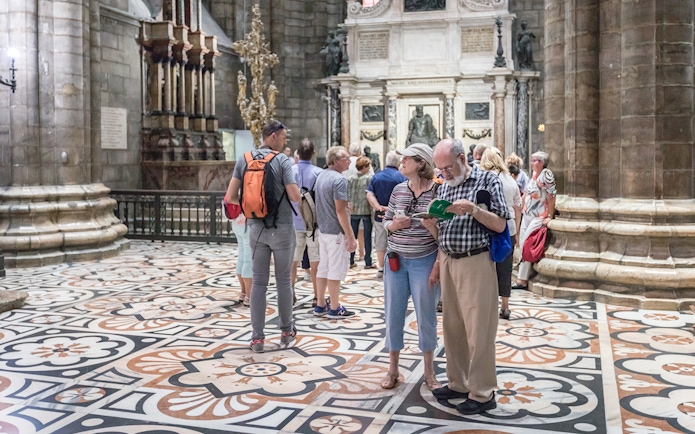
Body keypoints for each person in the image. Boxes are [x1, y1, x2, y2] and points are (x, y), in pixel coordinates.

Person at [422, 138, 509, 415]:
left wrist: (473, 209)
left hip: (476, 261)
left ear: (462, 159)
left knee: (479, 330)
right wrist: (431, 225)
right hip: (448, 259)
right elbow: (442, 233)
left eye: (447, 168)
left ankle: (483, 392)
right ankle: (458, 383)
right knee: (453, 327)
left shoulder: (487, 181)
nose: (443, 174)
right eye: (440, 169)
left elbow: (500, 223)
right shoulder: (444, 185)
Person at [225, 120, 301, 353]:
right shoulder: (282, 161)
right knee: (283, 281)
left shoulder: (244, 159)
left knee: (258, 282)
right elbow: (295, 196)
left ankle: (257, 338)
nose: (285, 141)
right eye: (284, 137)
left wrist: (251, 207)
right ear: (274, 136)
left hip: (256, 229)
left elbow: (230, 197)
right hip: (282, 229)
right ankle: (286, 330)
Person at [380, 143, 442, 392]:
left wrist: (431, 227)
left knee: (426, 315)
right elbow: (385, 222)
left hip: (424, 261)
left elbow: (444, 236)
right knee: (393, 314)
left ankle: (429, 371)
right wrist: (394, 226)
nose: (402, 162)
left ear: (421, 164)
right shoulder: (398, 190)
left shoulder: (437, 192)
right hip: (396, 260)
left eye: (407, 159)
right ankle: (393, 369)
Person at [314, 146, 358, 318]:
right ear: (334, 161)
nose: (349, 161)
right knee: (335, 269)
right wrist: (350, 236)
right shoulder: (339, 180)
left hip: (323, 230)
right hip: (335, 232)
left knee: (323, 267)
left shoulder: (321, 176)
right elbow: (340, 211)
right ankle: (334, 307)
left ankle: (320, 304)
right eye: (345, 158)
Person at [480, 147, 522, 319]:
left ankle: (486, 305)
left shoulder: (483, 179)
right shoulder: (511, 180)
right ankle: (505, 306)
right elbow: (518, 208)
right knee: (505, 268)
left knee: (486, 267)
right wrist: (517, 232)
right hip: (509, 229)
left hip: (488, 227)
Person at [514, 151, 556, 290]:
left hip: (539, 215)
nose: (531, 163)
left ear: (542, 162)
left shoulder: (546, 174)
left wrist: (549, 215)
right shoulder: (533, 176)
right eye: (531, 160)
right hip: (527, 214)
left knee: (527, 243)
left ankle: (522, 279)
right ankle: (522, 277)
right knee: (521, 243)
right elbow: (527, 192)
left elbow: (551, 195)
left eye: (535, 160)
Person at [290, 139, 324, 306]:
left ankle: (290, 293)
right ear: (313, 153)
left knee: (293, 261)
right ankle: (318, 297)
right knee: (315, 261)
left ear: (298, 153)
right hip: (313, 224)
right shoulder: (318, 173)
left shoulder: (289, 171)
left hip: (293, 222)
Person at [367, 151, 407, 278]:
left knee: (380, 240)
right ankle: (395, 266)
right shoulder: (402, 177)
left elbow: (369, 194)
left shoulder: (377, 176)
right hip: (397, 214)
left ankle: (381, 267)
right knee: (397, 240)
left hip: (380, 214)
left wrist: (378, 207)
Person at [348, 156, 374, 269]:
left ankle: (350, 259)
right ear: (363, 167)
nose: (369, 168)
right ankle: (368, 262)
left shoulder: (350, 179)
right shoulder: (369, 178)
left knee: (352, 236)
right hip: (366, 210)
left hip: (353, 211)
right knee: (367, 237)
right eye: (368, 166)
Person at [231, 211, 252, 307]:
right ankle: (249, 295)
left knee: (242, 256)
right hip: (247, 222)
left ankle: (243, 292)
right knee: (248, 259)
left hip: (236, 221)